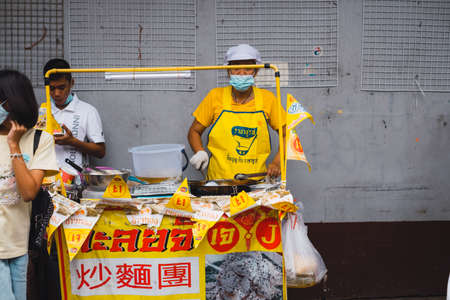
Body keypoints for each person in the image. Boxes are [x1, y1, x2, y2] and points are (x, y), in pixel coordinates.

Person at [0, 70, 58, 300]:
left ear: (13, 102)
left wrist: (14, 146)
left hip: (19, 246)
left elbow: (28, 192)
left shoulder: (39, 140)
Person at [188, 44, 285, 180]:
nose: (242, 73)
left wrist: (277, 162)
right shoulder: (215, 96)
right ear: (228, 71)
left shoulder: (267, 99)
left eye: (248, 68)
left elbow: (287, 134)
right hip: (219, 183)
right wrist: (200, 152)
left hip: (256, 183)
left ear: (256, 72)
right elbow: (194, 131)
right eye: (236, 68)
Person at [43, 58, 105, 175]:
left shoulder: (88, 111)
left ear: (71, 83)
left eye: (62, 87)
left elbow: (101, 151)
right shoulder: (42, 112)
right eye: (52, 88)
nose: (56, 93)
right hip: (47, 181)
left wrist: (73, 142)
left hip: (75, 181)